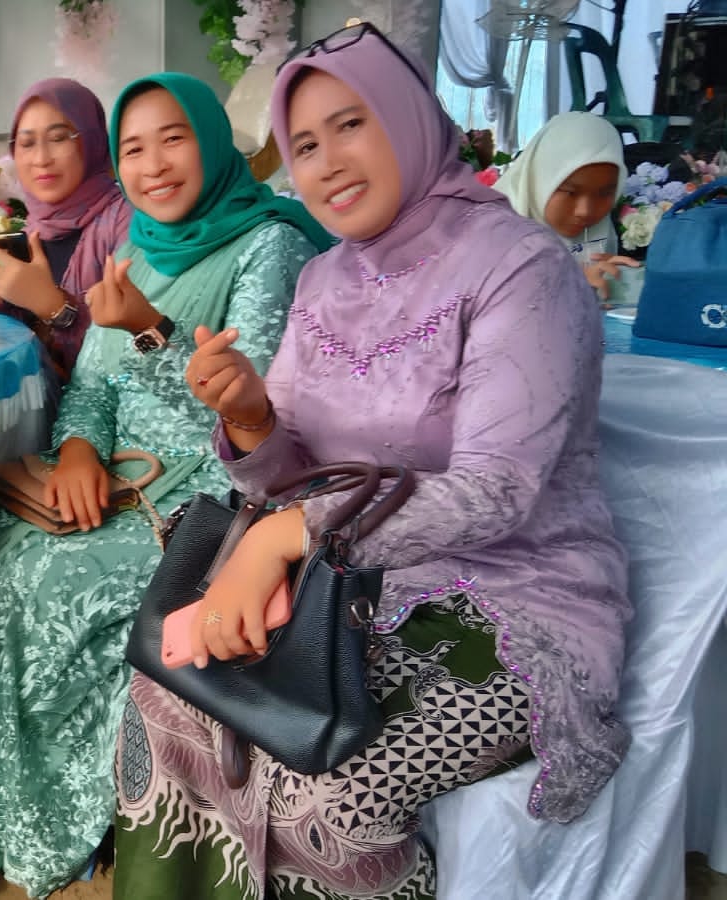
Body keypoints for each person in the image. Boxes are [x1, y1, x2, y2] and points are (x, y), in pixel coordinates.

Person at [115, 25, 630, 899]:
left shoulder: (520, 267)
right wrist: (250, 419)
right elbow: (285, 477)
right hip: (346, 583)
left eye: (350, 124)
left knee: (328, 784)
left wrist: (285, 538)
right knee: (168, 699)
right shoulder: (324, 280)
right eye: (305, 145)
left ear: (408, 118)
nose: (327, 163)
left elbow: (499, 490)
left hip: (515, 594)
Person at [0, 73, 331, 897]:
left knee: (60, 581)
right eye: (134, 149)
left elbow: (256, 414)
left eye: (173, 139)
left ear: (213, 142)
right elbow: (94, 382)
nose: (153, 166)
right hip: (125, 480)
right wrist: (80, 451)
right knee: (2, 558)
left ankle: (86, 817)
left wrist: (151, 328)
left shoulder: (271, 246)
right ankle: (17, 813)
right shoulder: (141, 246)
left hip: (219, 493)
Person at [0, 78, 132, 379]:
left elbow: (135, 354)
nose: (41, 159)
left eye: (59, 138)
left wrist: (54, 307)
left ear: (92, 141)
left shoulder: (127, 222)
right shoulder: (33, 228)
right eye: (27, 143)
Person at [497, 111, 640, 303]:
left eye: (605, 194)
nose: (585, 211)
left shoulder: (598, 233)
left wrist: (618, 282)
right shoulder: (494, 232)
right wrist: (571, 286)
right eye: (570, 193)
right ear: (539, 179)